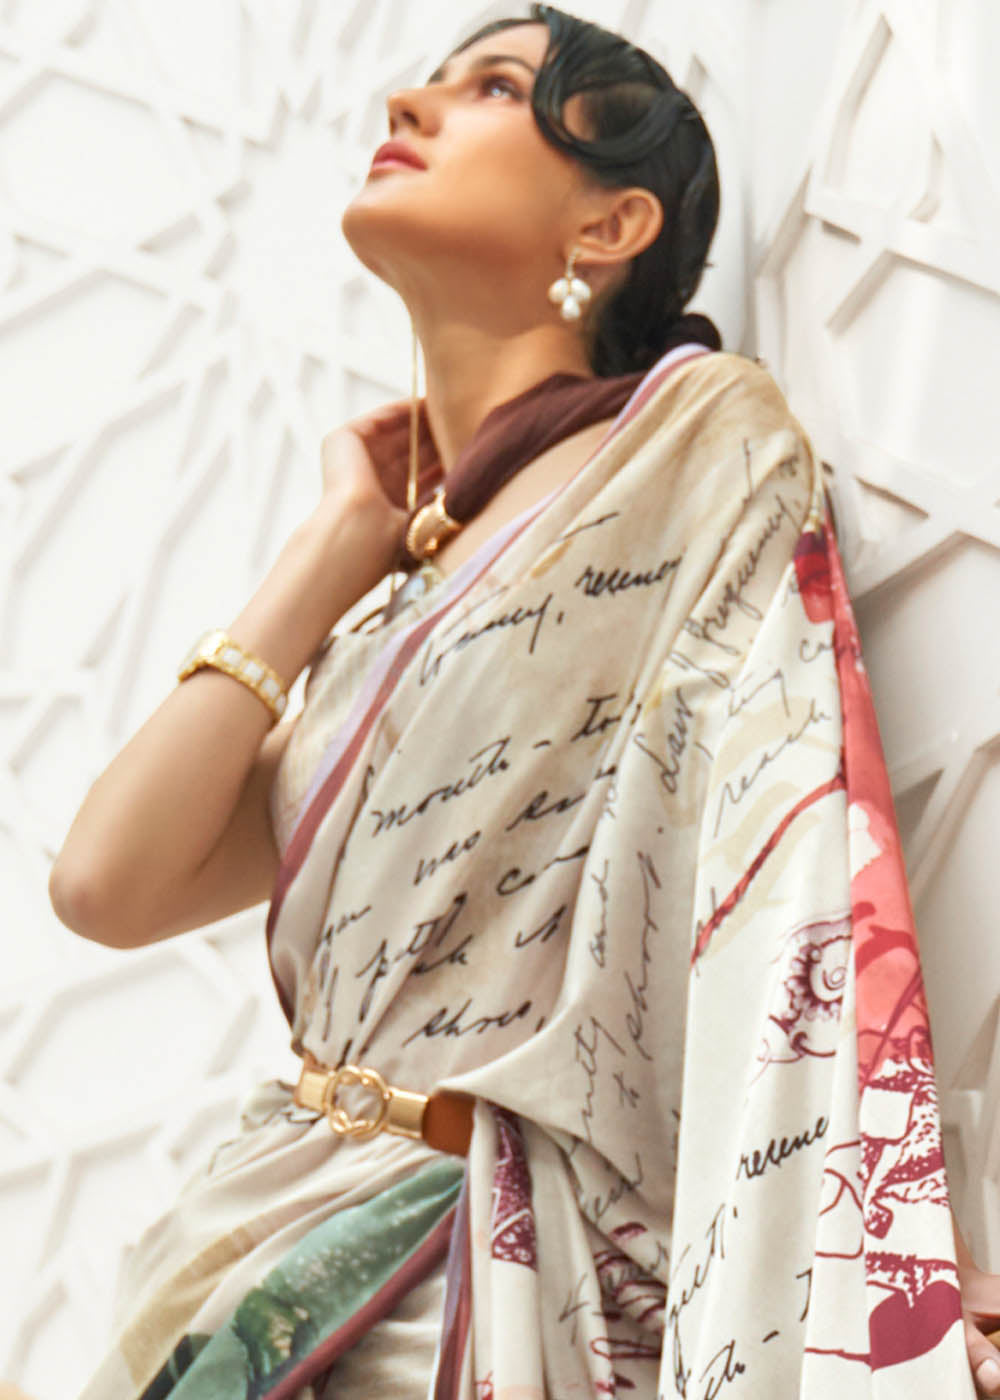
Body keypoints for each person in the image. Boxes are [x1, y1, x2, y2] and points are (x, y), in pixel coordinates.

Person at [40, 5, 1000, 1398]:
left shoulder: (685, 446)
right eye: (430, 80)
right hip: (256, 1251)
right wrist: (329, 551)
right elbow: (105, 884)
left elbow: (780, 856)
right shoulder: (389, 608)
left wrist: (881, 1285)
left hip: (488, 1290)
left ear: (611, 226)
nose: (408, 104)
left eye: (492, 87)